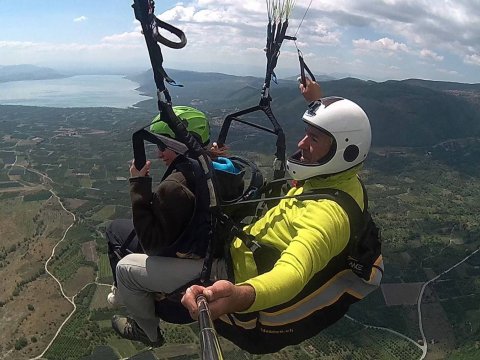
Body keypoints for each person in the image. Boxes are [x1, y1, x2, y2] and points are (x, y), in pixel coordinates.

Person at [112, 80, 383, 352]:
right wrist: (316, 102)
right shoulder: (339, 179)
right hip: (235, 245)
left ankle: (148, 333)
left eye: (313, 138)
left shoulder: (327, 216)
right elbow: (340, 138)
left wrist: (239, 295)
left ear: (343, 151)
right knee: (123, 236)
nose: (302, 143)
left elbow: (293, 273)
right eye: (306, 133)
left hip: (230, 272)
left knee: (126, 270)